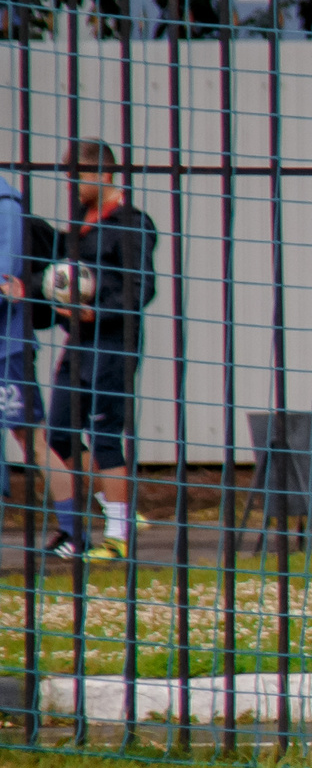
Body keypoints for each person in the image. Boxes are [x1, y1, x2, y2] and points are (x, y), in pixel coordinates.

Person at [42, 140, 156, 562]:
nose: (72, 183)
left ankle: (117, 537)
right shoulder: (81, 222)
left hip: (113, 344)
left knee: (106, 436)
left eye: (79, 174)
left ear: (104, 174)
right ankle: (119, 508)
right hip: (80, 344)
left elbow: (142, 289)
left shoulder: (131, 224)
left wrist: (96, 313)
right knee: (59, 434)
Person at [0, 172, 46, 487]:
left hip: (8, 348)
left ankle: (73, 529)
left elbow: (6, 281)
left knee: (30, 437)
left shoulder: (7, 208)